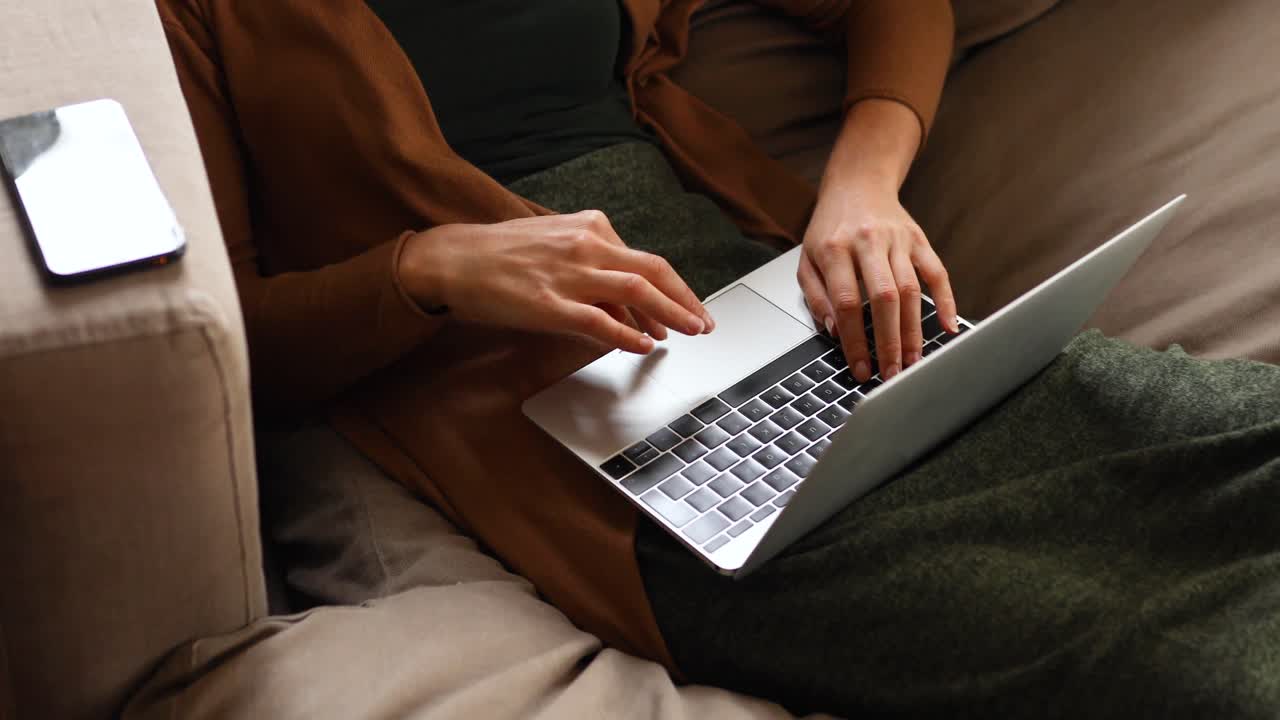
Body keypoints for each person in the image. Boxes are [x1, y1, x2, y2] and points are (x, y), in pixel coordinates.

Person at [158, 1, 1280, 717]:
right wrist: (426, 269)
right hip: (559, 413)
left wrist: (860, 188)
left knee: (1226, 439)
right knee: (1163, 660)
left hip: (780, 296)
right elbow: (219, 338)